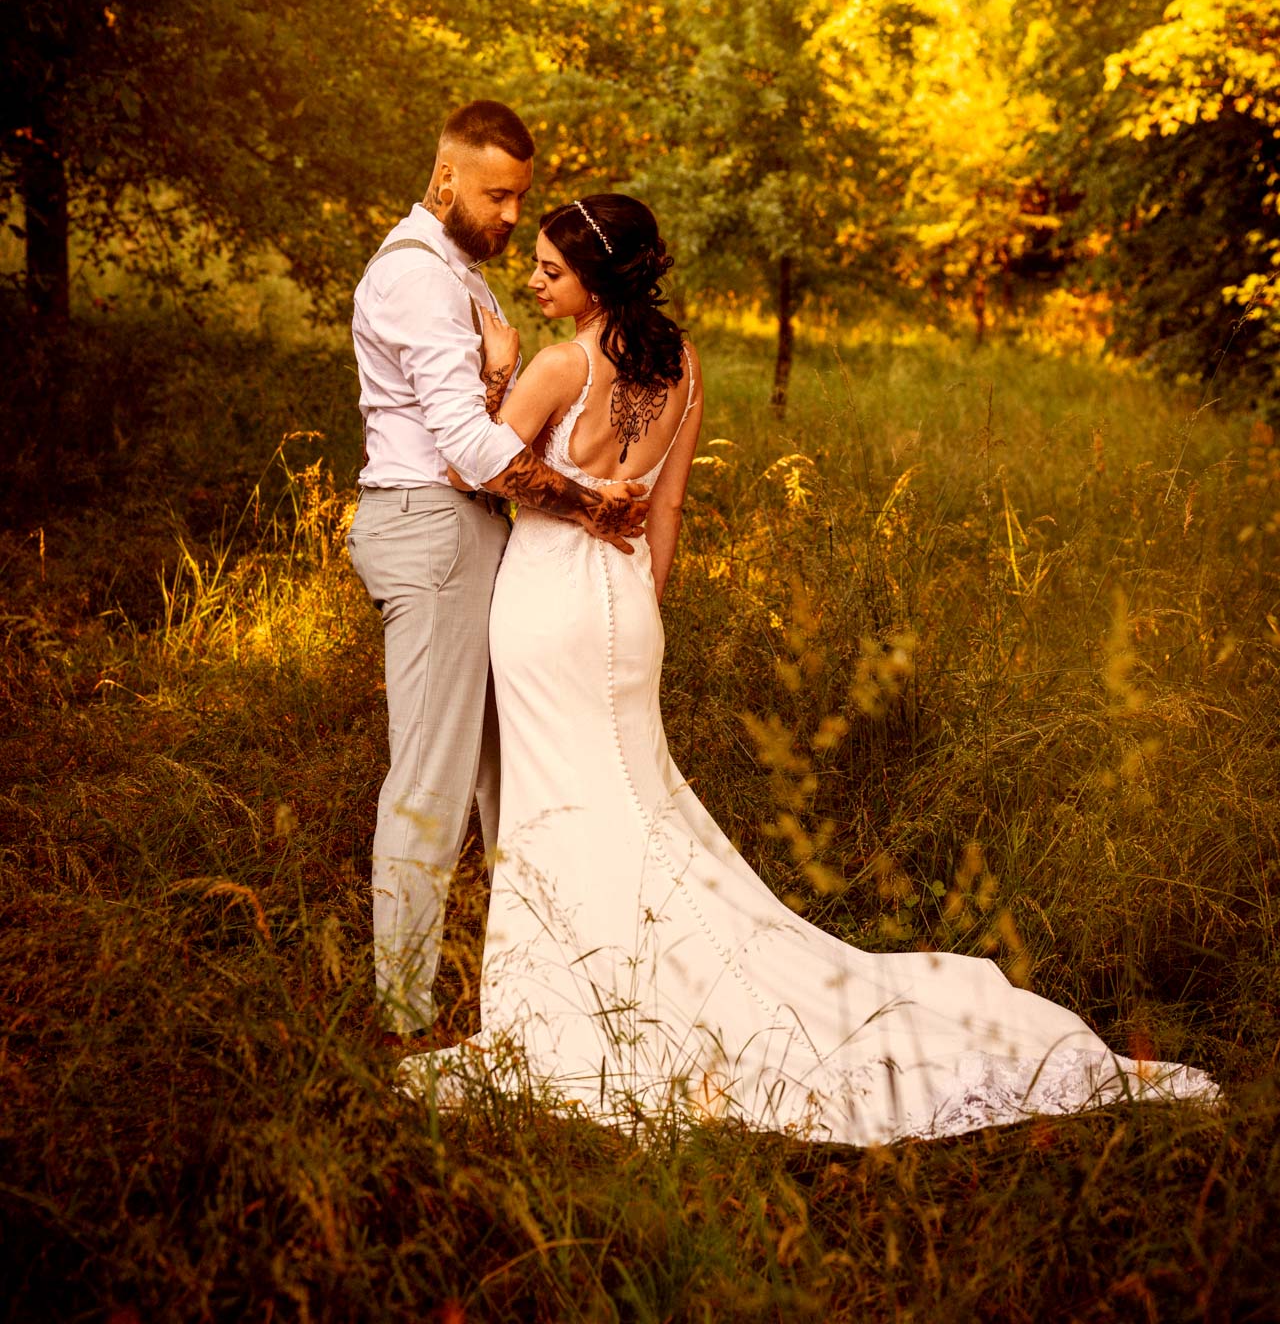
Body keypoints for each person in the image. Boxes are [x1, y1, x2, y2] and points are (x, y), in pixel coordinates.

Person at [400, 192, 1218, 1143]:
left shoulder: (554, 364)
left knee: (563, 796)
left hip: (545, 598)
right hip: (624, 600)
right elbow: (666, 511)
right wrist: (645, 606)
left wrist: (495, 368)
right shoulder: (682, 364)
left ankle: (583, 996)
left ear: (596, 279)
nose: (533, 280)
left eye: (550, 269)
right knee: (630, 790)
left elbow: (474, 465)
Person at [347, 104, 648, 1036]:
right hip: (432, 531)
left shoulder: (459, 273)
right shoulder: (417, 279)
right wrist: (592, 503)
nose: (516, 213)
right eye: (498, 194)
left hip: (469, 533)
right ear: (446, 180)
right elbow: (472, 451)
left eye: (521, 195)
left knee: (497, 774)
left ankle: (515, 990)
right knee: (431, 781)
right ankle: (403, 1018)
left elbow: (476, 422)